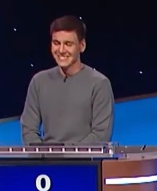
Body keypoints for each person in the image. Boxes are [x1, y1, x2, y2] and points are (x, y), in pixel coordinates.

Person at [21, 16, 114, 144]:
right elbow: (28, 129)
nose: (61, 50)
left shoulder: (99, 84)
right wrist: (42, 156)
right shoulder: (39, 81)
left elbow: (101, 135)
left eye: (68, 44)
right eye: (56, 43)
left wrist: (69, 157)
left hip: (84, 162)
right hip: (47, 161)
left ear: (82, 46)